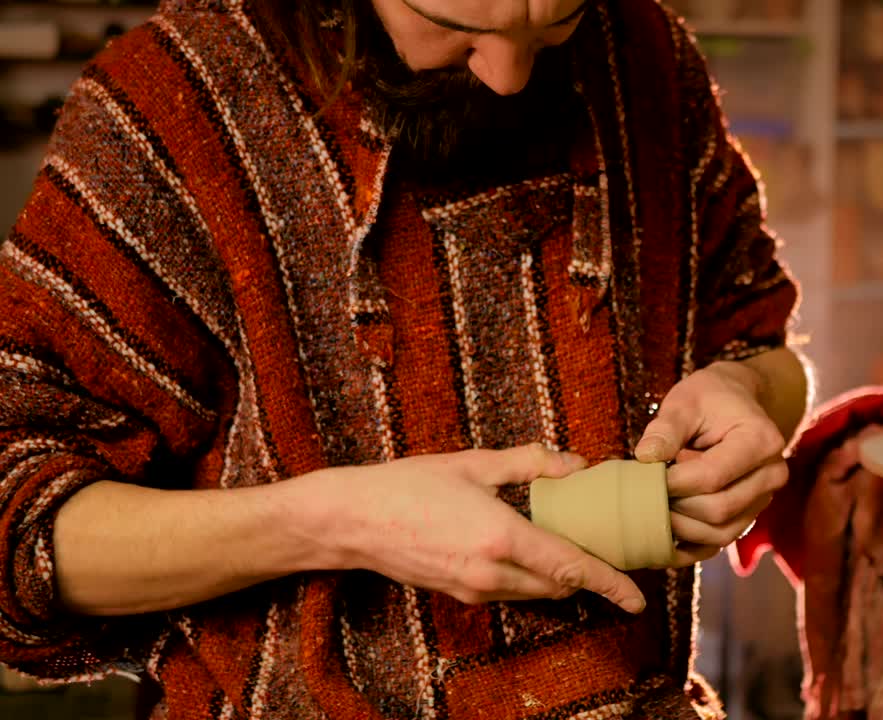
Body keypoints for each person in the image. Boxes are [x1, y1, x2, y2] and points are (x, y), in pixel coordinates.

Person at [0, 0, 809, 717]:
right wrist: (341, 523)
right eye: (460, 29)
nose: (508, 77)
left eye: (556, 25)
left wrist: (747, 393)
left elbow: (763, 348)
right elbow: (20, 533)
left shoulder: (645, 53)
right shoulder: (173, 106)